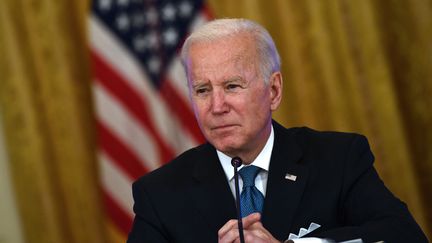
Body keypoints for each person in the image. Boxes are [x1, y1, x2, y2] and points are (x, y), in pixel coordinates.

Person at [127, 18, 427, 243]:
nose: (217, 106)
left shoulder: (339, 159)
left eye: (232, 86)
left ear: (273, 90)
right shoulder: (159, 194)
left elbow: (402, 236)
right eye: (203, 90)